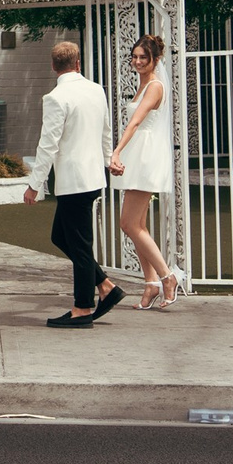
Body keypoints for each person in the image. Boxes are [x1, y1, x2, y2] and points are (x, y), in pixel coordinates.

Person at [21, 39, 124, 327]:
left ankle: (82, 308)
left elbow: (48, 144)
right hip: (91, 177)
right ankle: (105, 286)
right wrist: (109, 161)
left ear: (54, 66)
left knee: (78, 245)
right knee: (61, 237)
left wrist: (34, 183)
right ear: (78, 63)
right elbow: (106, 131)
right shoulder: (96, 90)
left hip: (74, 181)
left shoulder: (55, 97)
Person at [109, 33, 182, 309]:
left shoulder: (154, 86)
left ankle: (167, 276)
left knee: (128, 224)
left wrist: (116, 152)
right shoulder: (143, 85)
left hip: (146, 156)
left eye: (144, 57)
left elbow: (136, 123)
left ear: (155, 60)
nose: (138, 61)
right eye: (135, 56)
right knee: (137, 225)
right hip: (139, 153)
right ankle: (150, 283)